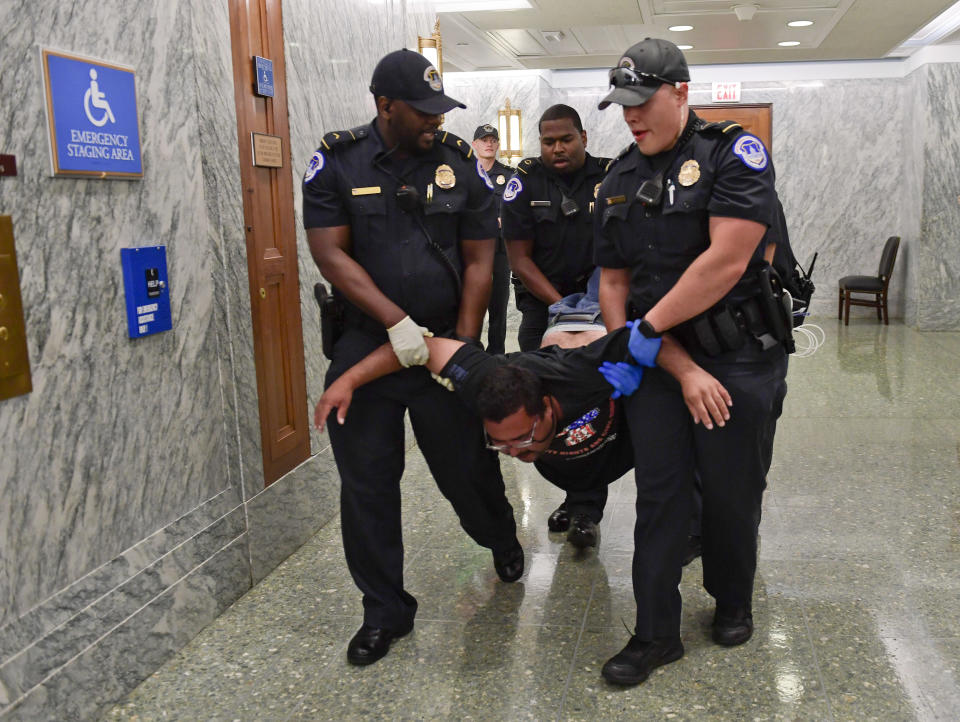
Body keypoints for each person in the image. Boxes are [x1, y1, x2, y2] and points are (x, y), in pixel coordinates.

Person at [302, 49, 522, 667]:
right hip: (364, 345)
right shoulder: (337, 163)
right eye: (422, 112)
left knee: (465, 473)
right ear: (384, 106)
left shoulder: (456, 162)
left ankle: (499, 536)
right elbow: (330, 254)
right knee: (367, 486)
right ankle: (385, 611)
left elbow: (481, 257)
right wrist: (396, 324)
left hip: (445, 345)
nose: (434, 120)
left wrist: (462, 340)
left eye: (439, 109)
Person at [594, 38, 789, 686]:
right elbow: (613, 282)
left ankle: (732, 599)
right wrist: (631, 344)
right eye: (621, 106)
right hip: (660, 364)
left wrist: (645, 330)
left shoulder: (734, 155)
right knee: (660, 499)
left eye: (642, 102)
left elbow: (727, 261)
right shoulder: (618, 178)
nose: (631, 117)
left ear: (681, 92)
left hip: (736, 357)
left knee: (733, 496)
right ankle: (655, 634)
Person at [314, 331, 733, 557]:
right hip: (574, 458)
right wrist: (348, 379)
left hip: (621, 439)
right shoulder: (485, 377)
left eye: (523, 437)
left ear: (548, 407)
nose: (515, 452)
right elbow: (414, 345)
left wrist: (689, 374)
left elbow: (649, 334)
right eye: (503, 445)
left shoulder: (581, 372)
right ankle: (579, 503)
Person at [500, 104, 611, 540]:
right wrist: (563, 307)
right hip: (542, 308)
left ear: (583, 136)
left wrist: (593, 306)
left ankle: (587, 507)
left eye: (566, 139)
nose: (558, 148)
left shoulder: (611, 176)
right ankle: (571, 493)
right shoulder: (524, 182)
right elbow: (519, 258)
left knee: (593, 405)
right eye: (548, 141)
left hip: (602, 307)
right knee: (546, 406)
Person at [471, 124, 514, 354]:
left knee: (498, 306)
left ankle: (496, 354)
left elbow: (516, 212)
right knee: (472, 305)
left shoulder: (508, 176)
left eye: (492, 140)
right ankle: (471, 352)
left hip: (498, 251)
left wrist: (502, 220)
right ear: (474, 144)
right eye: (483, 140)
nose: (489, 143)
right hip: (472, 253)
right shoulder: (466, 174)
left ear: (497, 144)